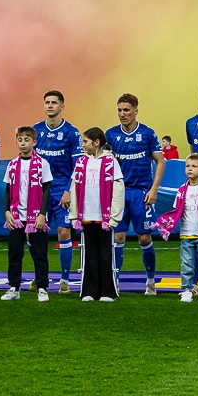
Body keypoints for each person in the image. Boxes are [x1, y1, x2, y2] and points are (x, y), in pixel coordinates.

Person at [106, 93, 166, 291]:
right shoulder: (111, 134)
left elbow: (160, 162)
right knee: (118, 237)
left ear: (136, 111)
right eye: (119, 110)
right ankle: (114, 280)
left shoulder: (147, 133)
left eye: (126, 110)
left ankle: (150, 281)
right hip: (119, 193)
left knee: (144, 238)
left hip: (142, 192)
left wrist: (154, 189)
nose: (122, 114)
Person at [33, 90, 82, 292]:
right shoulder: (36, 130)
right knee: (35, 233)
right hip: (39, 190)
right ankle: (40, 277)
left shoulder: (72, 132)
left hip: (62, 190)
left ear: (62, 106)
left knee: (63, 232)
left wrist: (69, 190)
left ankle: (64, 280)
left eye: (54, 102)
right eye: (47, 102)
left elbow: (78, 166)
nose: (50, 105)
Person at [71, 126, 123, 301]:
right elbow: (74, 188)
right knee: (89, 255)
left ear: (97, 142)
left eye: (86, 141)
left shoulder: (111, 162)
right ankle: (89, 291)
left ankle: (108, 292)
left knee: (106, 255)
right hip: (86, 216)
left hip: (105, 218)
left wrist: (114, 216)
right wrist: (75, 215)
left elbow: (118, 190)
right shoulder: (81, 162)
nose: (83, 145)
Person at [0, 126, 52, 301]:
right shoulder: (12, 164)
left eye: (27, 140)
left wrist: (42, 214)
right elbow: (8, 190)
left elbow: (46, 190)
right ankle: (14, 287)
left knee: (39, 253)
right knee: (14, 253)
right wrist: (7, 211)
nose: (23, 143)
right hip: (16, 217)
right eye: (20, 140)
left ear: (34, 142)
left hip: (36, 216)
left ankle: (42, 288)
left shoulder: (42, 163)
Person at [157, 153, 198, 301]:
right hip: (186, 233)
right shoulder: (181, 189)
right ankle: (186, 289)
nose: (190, 169)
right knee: (186, 264)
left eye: (194, 166)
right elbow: (176, 211)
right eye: (187, 166)